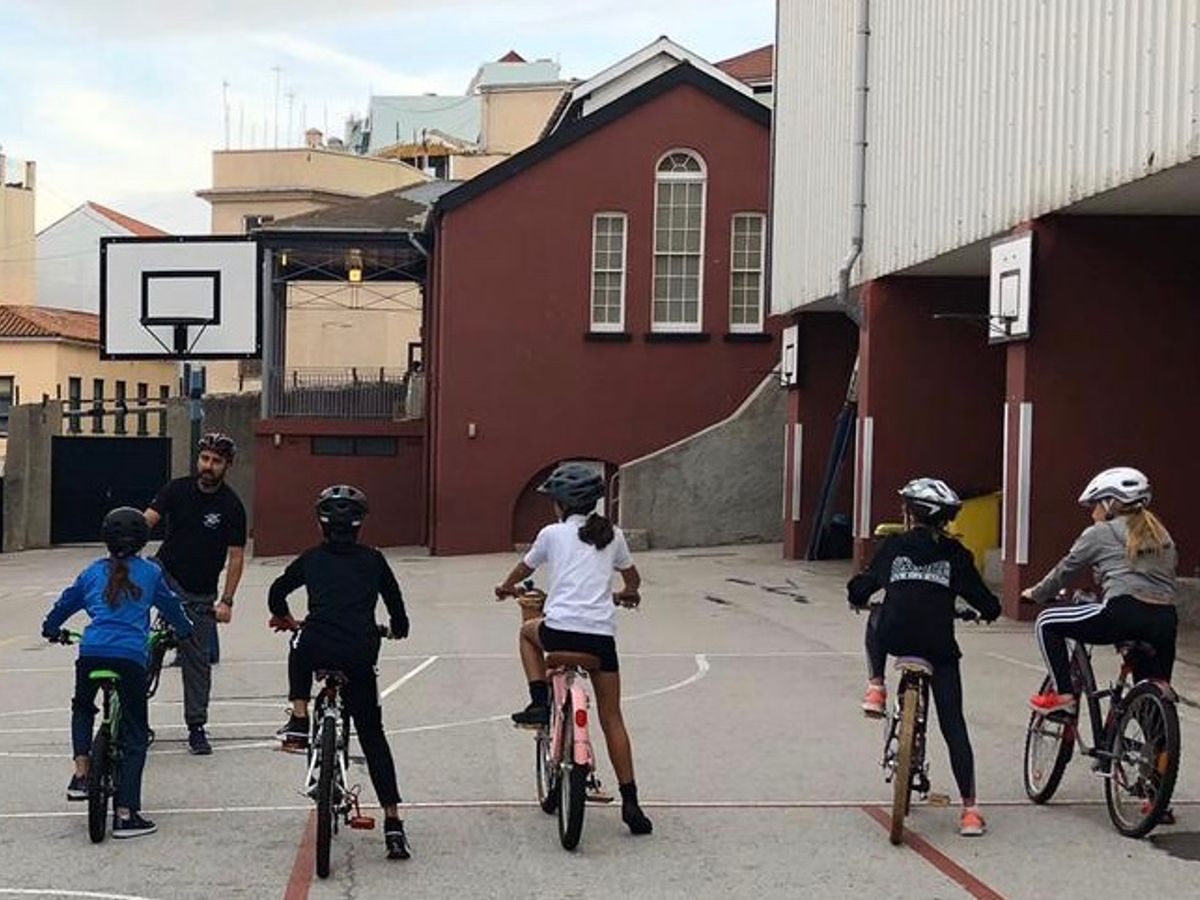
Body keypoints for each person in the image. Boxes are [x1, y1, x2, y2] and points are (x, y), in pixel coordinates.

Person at [495, 462, 653, 836]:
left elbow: (523, 569)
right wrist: (628, 594)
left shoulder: (551, 534)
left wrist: (505, 587)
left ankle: (538, 701)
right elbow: (632, 578)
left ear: (561, 504)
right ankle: (631, 802)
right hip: (600, 641)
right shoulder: (612, 535)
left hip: (558, 633)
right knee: (612, 717)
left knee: (526, 634)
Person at [847, 477, 1000, 838]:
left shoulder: (893, 546)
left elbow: (863, 586)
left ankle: (876, 686)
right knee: (953, 724)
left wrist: (857, 596)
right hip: (938, 646)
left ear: (910, 514)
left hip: (895, 636)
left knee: (877, 613)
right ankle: (970, 811)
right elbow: (986, 602)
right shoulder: (956, 554)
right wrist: (984, 612)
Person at [268, 484, 413, 861]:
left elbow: (276, 591)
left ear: (321, 525)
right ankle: (393, 823)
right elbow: (396, 605)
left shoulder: (311, 558)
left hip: (316, 643)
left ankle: (300, 718)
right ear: (360, 525)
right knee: (373, 735)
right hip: (359, 651)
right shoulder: (374, 560)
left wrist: (285, 617)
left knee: (298, 643)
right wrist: (398, 628)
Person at [42, 507, 194, 838]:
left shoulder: (92, 572)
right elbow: (171, 607)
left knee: (83, 708)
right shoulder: (150, 573)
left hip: (91, 653)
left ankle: (81, 774)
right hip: (130, 658)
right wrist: (184, 630)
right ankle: (126, 814)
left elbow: (65, 604)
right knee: (135, 734)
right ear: (143, 539)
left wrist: (51, 629)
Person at [1023, 467, 1178, 714]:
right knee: (1151, 705)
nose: (1093, 512)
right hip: (1165, 620)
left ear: (1110, 504)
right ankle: (1158, 738)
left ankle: (1063, 696)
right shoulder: (1160, 534)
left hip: (1124, 613)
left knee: (1046, 622)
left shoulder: (1100, 532)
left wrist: (1036, 593)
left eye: (1096, 504)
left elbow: (1066, 570)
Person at [144, 432, 246, 755]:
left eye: (216, 461)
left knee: (197, 661)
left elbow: (236, 557)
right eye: (205, 459)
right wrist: (126, 538)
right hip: (164, 575)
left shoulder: (231, 506)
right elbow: (147, 521)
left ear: (227, 466)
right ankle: (132, 718)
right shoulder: (176, 489)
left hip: (199, 591)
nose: (208, 466)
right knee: (139, 647)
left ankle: (196, 727)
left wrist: (226, 601)